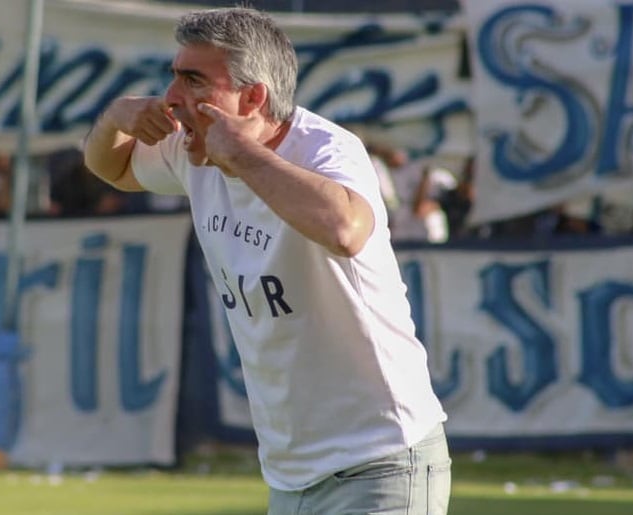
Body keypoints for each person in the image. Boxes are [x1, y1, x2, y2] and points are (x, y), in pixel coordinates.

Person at [83, 7, 449, 515]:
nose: (171, 99)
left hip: (379, 458)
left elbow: (345, 230)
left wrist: (240, 154)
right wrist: (117, 116)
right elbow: (113, 167)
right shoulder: (192, 152)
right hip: (290, 473)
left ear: (253, 96)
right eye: (173, 78)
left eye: (193, 80)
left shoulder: (327, 149)